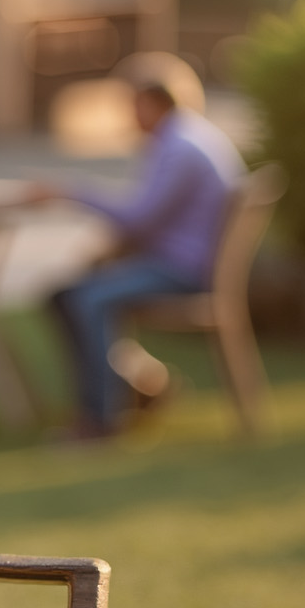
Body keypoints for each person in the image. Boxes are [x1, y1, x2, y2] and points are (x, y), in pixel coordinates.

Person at [33, 52, 245, 439]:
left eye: (132, 106)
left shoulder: (180, 147)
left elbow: (140, 218)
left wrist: (69, 192)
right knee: (63, 295)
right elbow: (155, 218)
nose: (128, 117)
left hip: (183, 271)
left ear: (152, 102)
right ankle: (138, 388)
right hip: (179, 260)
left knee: (89, 299)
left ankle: (100, 420)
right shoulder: (186, 136)